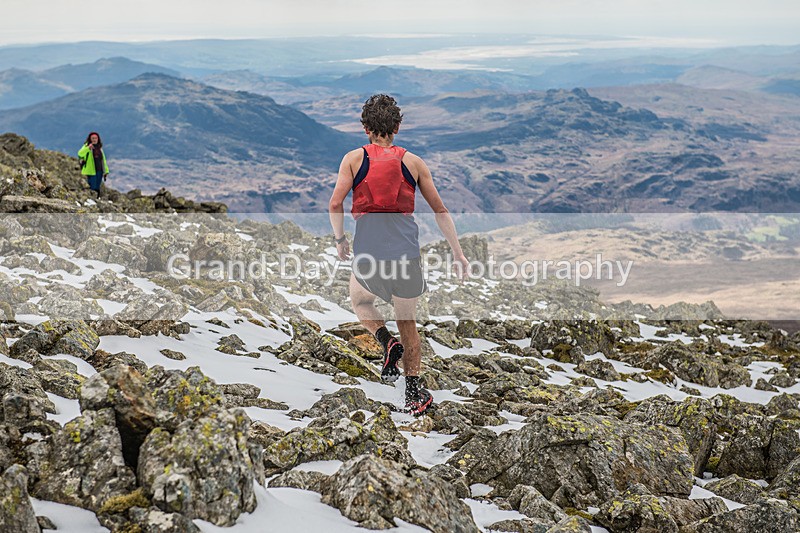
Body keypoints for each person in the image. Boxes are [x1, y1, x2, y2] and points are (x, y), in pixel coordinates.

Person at [328, 94, 468, 416]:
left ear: (366, 128)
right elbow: (441, 210)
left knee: (361, 302)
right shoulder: (414, 163)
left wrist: (339, 240)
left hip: (369, 251)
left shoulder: (353, 159)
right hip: (405, 251)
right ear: (398, 127)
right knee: (408, 321)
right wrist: (458, 254)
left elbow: (335, 204)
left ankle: (385, 341)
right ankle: (414, 396)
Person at [78, 132, 109, 197]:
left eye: (96, 138)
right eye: (93, 138)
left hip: (99, 170)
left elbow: (103, 161)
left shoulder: (99, 148)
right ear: (90, 139)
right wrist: (88, 148)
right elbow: (80, 154)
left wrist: (106, 171)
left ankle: (96, 199)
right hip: (91, 171)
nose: (94, 139)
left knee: (97, 186)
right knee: (92, 186)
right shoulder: (86, 146)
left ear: (98, 139)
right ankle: (91, 199)